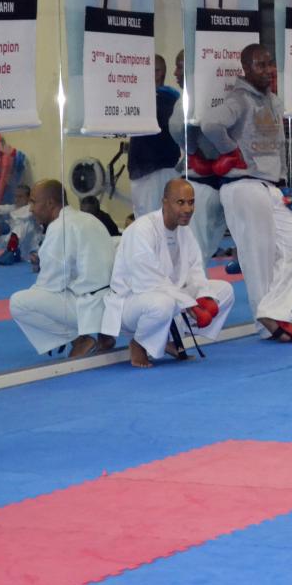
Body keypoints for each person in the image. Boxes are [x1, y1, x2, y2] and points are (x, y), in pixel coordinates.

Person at [200, 43, 292, 343]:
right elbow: (211, 124)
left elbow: (280, 145)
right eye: (260, 65)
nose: (267, 70)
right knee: (257, 256)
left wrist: (286, 181)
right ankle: (267, 324)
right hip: (243, 185)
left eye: (269, 64)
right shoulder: (239, 99)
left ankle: (272, 311)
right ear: (246, 69)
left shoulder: (274, 100)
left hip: (271, 186)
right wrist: (230, 150)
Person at [101, 178, 235, 367]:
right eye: (180, 202)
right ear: (165, 202)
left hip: (170, 297)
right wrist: (190, 305)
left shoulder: (185, 232)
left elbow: (195, 271)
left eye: (191, 202)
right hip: (132, 302)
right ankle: (139, 343)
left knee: (224, 291)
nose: (188, 209)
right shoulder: (142, 230)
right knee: (164, 303)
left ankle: (170, 337)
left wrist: (205, 297)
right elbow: (148, 282)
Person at [8, 180, 116, 358]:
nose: (31, 208)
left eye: (34, 201)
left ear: (50, 203)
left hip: (89, 307)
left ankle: (79, 340)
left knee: (19, 302)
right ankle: (104, 336)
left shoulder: (60, 227)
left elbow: (50, 284)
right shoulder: (88, 219)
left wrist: (51, 330)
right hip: (111, 306)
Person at [168, 48, 229, 265]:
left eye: (180, 65)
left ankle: (196, 294)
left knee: (197, 248)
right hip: (228, 182)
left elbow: (175, 127)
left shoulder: (190, 96)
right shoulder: (223, 92)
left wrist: (193, 150)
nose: (175, 72)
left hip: (200, 184)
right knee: (209, 244)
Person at [127, 54, 181, 217]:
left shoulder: (164, 99)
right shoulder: (153, 99)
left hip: (156, 173)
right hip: (148, 172)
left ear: (157, 73)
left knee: (152, 223)